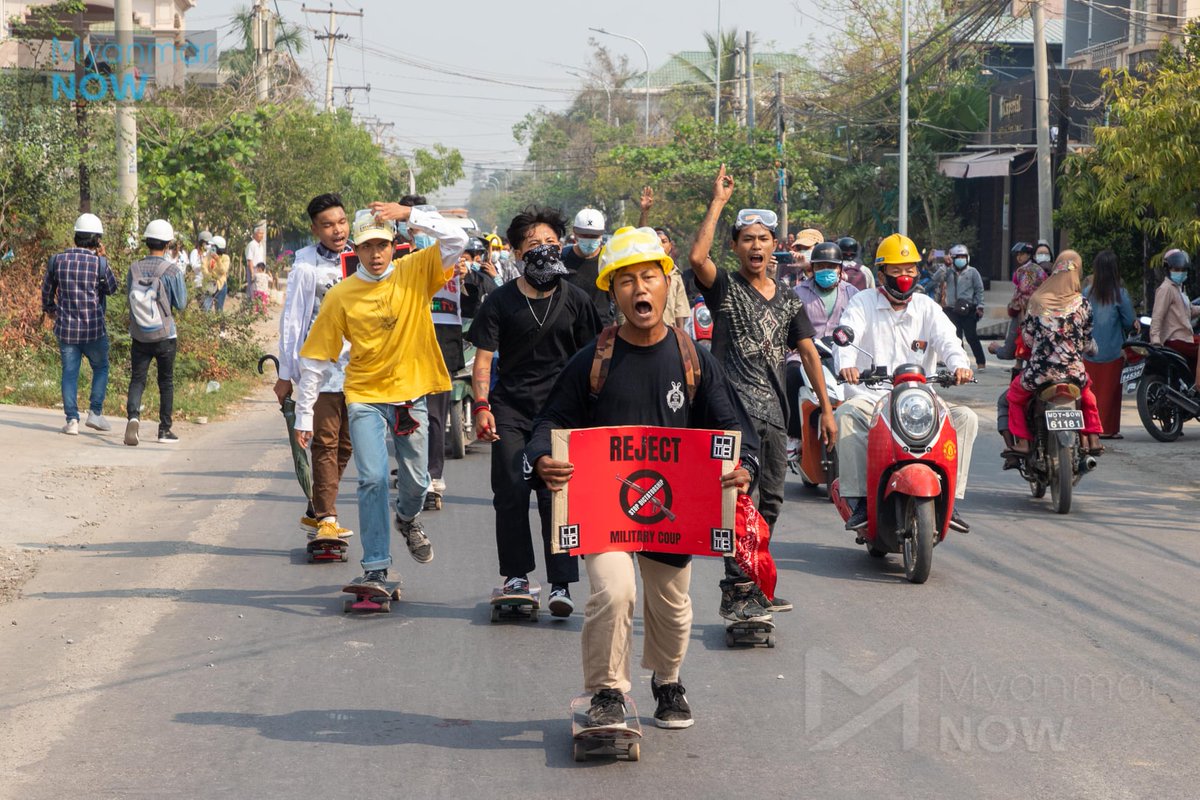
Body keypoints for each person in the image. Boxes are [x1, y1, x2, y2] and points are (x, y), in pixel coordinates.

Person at [526, 225, 759, 730]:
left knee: (673, 607)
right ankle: (607, 692)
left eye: (648, 277)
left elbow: (734, 428)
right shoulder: (593, 361)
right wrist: (543, 457)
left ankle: (667, 680)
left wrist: (745, 468)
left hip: (674, 511)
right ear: (612, 292)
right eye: (626, 281)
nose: (639, 289)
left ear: (666, 284)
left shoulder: (695, 360)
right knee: (613, 593)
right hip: (603, 509)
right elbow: (548, 423)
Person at [688, 165, 837, 620]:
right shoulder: (725, 287)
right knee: (739, 500)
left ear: (776, 247)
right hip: (732, 416)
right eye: (747, 239)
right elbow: (696, 259)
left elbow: (809, 355)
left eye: (763, 239)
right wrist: (717, 202)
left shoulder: (790, 299)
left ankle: (751, 579)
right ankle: (738, 588)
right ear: (736, 246)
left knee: (770, 501)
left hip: (774, 414)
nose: (756, 246)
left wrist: (827, 410)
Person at [294, 204, 466, 592]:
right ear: (355, 246)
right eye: (368, 245)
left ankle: (407, 518)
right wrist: (305, 414)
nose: (376, 254)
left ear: (394, 246)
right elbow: (317, 357)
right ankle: (375, 566)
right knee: (371, 479)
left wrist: (410, 213)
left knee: (419, 483)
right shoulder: (342, 295)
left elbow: (458, 239)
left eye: (383, 245)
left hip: (410, 394)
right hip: (365, 395)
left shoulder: (416, 271)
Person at [467, 207, 602, 617]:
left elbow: (593, 361)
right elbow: (484, 361)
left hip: (562, 414)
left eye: (549, 243)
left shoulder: (578, 300)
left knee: (555, 496)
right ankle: (517, 577)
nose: (543, 251)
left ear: (561, 245)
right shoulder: (499, 302)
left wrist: (595, 415)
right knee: (509, 490)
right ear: (516, 253)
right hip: (510, 409)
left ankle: (561, 583)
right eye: (532, 246)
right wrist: (482, 406)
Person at [834, 234, 977, 533]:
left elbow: (949, 341)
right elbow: (847, 334)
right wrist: (845, 364)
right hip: (871, 397)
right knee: (846, 414)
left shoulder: (927, 307)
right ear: (882, 273)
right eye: (896, 270)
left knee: (965, 418)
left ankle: (952, 497)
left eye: (910, 269)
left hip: (918, 399)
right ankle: (860, 498)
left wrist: (960, 365)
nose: (904, 277)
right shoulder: (863, 302)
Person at [277, 194, 355, 539]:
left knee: (347, 445)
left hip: (359, 367)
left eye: (341, 222)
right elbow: (293, 320)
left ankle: (316, 507)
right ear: (315, 229)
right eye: (327, 225)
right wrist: (285, 374)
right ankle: (327, 517)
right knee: (325, 441)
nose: (336, 230)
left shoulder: (362, 257)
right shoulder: (306, 264)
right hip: (319, 367)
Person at [1005, 251, 1104, 457]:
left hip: (1041, 374)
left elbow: (1029, 339)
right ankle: (1093, 438)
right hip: (1073, 374)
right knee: (1088, 397)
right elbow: (1086, 341)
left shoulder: (1038, 301)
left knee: (1013, 397)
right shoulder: (1082, 304)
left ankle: (1023, 442)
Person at [41, 213, 118, 436]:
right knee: (101, 367)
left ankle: (72, 420)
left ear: (76, 236)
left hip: (66, 330)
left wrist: (52, 312)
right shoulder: (99, 264)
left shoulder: (57, 260)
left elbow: (46, 292)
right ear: (97, 240)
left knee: (69, 373)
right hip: (94, 330)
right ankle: (95, 413)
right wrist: (104, 259)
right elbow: (112, 289)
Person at [785, 240, 857, 463]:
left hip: (841, 353)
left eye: (831, 266)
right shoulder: (797, 293)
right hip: (804, 352)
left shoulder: (853, 294)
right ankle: (795, 436)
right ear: (812, 269)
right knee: (791, 374)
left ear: (840, 269)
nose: (826, 271)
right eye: (820, 266)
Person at [123, 219, 188, 446]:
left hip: (139, 334)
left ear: (146, 242)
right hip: (165, 336)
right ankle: (164, 430)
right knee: (166, 382)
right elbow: (181, 303)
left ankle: (133, 417)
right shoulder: (172, 271)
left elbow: (128, 299)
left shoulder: (134, 268)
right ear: (168, 244)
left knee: (138, 379)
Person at [425, 243, 470, 506]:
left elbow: (476, 303)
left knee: (434, 416)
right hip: (405, 351)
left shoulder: (457, 270)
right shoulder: (401, 265)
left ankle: (432, 476)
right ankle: (414, 472)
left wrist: (467, 280)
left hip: (442, 351)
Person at [1083, 250, 1136, 438]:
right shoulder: (1120, 294)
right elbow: (1129, 321)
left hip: (1088, 352)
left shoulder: (1086, 293)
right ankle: (1109, 429)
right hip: (1113, 351)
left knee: (1090, 392)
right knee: (1111, 394)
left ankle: (1090, 428)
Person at [933, 243, 987, 370]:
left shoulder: (973, 272)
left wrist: (980, 306)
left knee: (971, 336)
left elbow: (979, 290)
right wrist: (945, 267)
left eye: (963, 256)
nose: (961, 259)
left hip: (969, 309)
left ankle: (981, 363)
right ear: (952, 258)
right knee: (956, 337)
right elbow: (935, 279)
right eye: (958, 257)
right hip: (951, 309)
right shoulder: (948, 271)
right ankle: (961, 363)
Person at [990, 242, 1046, 360]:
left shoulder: (1024, 270)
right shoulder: (1039, 269)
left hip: (1024, 313)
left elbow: (1023, 292)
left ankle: (995, 348)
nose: (1019, 257)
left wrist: (1012, 306)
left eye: (1022, 254)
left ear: (1029, 255)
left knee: (1010, 350)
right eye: (1017, 255)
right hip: (1041, 313)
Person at [1150, 249, 1200, 379]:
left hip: (1186, 337)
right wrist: (1155, 340)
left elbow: (1189, 311)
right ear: (1168, 270)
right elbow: (1157, 316)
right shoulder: (1166, 289)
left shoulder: (1179, 289)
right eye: (1176, 269)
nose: (1180, 273)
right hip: (1175, 339)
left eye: (1183, 270)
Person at [562, 207, 614, 325]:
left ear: (601, 234)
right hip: (569, 328)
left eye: (594, 236)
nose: (589, 240)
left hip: (601, 329)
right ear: (575, 233)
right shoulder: (562, 258)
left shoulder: (609, 259)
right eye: (584, 235)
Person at [459, 236, 498, 318]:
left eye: (480, 256)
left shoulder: (484, 279)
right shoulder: (449, 278)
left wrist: (496, 278)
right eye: (463, 259)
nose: (478, 259)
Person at [202, 236, 230, 312]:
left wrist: (218, 260)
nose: (212, 248)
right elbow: (203, 266)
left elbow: (223, 270)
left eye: (213, 246)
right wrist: (208, 276)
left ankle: (219, 324)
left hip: (221, 285)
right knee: (206, 308)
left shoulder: (225, 258)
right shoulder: (208, 256)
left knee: (219, 309)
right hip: (209, 284)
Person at [244, 221, 267, 301]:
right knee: (252, 289)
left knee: (260, 290)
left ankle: (258, 307)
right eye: (260, 233)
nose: (262, 235)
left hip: (260, 270)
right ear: (255, 234)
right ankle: (249, 306)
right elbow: (249, 260)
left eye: (262, 234)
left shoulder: (261, 245)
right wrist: (252, 273)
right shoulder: (251, 245)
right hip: (253, 269)